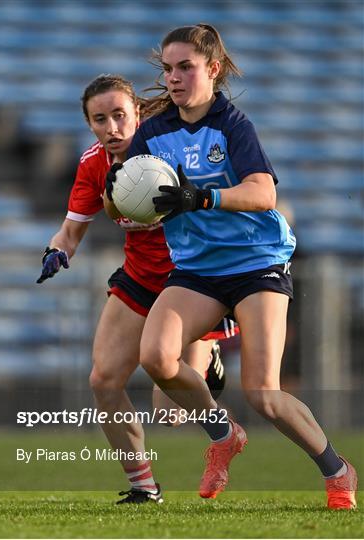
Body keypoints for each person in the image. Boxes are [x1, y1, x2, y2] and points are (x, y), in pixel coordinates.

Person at [123, 24, 357, 509]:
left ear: (212, 69)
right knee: (157, 359)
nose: (173, 77)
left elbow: (263, 193)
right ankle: (223, 434)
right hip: (197, 270)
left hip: (256, 265)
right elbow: (131, 194)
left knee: (263, 393)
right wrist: (125, 203)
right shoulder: (152, 133)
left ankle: (337, 470)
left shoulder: (232, 125)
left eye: (185, 67)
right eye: (167, 68)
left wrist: (201, 196)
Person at [36, 73, 236, 504]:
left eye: (119, 115)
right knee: (104, 379)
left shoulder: (174, 147)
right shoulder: (93, 165)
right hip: (141, 278)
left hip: (194, 281)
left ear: (138, 113)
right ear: (89, 123)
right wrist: (56, 251)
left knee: (170, 413)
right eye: (99, 119)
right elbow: (69, 232)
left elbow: (226, 204)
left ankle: (208, 357)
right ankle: (143, 487)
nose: (112, 128)